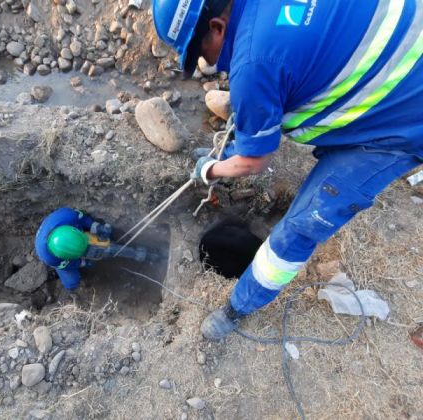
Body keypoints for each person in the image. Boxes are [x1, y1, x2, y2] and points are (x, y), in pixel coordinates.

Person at [152, 0, 423, 340]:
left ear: (218, 28)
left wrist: (211, 171)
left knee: (302, 226)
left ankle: (237, 308)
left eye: (199, 51)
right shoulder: (260, 34)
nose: (206, 62)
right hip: (405, 41)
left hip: (404, 118)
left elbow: (256, 163)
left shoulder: (253, 64)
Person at [35, 207, 148, 291]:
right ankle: (74, 294)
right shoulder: (50, 258)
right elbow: (69, 264)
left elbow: (83, 219)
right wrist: (83, 263)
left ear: (75, 230)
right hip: (63, 253)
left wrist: (96, 227)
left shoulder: (66, 215)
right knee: (71, 283)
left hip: (72, 234)